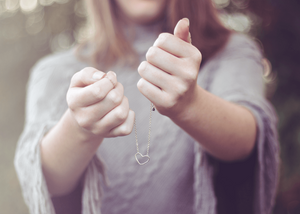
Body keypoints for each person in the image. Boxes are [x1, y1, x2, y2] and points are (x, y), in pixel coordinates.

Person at [14, 0, 280, 214]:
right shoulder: (53, 72)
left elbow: (249, 140)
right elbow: (44, 181)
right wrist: (79, 127)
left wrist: (191, 105)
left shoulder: (231, 52)